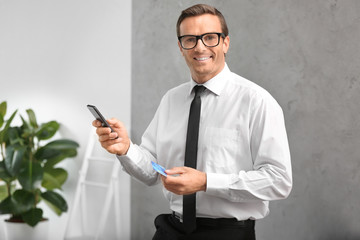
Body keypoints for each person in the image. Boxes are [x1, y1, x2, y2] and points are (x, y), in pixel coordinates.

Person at [93, 4, 292, 240]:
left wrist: (206, 182)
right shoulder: (171, 99)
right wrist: (125, 148)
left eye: (210, 38)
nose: (200, 47)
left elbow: (279, 181)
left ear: (225, 43)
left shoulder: (257, 101)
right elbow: (152, 172)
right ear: (181, 47)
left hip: (227, 234)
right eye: (190, 39)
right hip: (171, 229)